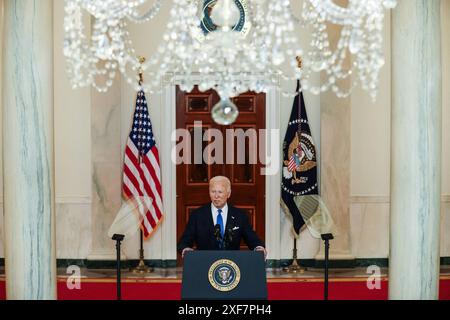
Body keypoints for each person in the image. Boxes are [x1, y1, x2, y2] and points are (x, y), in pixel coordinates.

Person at [177, 176, 267, 259]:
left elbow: (252, 239)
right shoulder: (197, 215)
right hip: (205, 263)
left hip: (232, 263)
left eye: (220, 192)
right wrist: (185, 249)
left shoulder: (240, 216)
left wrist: (259, 248)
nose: (216, 196)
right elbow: (184, 242)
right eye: (213, 192)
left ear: (228, 194)